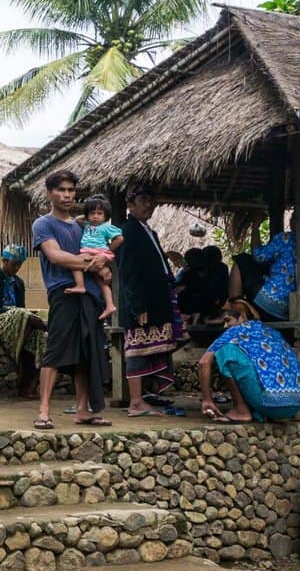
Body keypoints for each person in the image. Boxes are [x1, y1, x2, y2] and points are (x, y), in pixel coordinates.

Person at [30, 170, 109, 430]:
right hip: (63, 292)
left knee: (87, 353)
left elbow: (103, 251)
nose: (67, 195)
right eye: (61, 190)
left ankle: (83, 410)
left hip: (91, 294)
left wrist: (103, 263)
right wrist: (90, 263)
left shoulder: (81, 226)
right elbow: (56, 256)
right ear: (49, 193)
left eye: (71, 190)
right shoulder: (43, 224)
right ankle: (44, 410)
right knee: (55, 350)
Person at [114, 183, 187, 417]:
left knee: (152, 347)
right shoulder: (128, 231)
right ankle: (135, 402)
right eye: (143, 200)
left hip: (157, 300)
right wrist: (137, 306)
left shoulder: (148, 232)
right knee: (138, 347)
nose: (149, 205)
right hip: (141, 302)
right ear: (130, 204)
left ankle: (145, 395)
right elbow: (129, 271)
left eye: (150, 200)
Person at [198, 300, 300, 423]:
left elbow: (204, 362)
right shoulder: (272, 332)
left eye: (228, 320)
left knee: (226, 351)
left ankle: (241, 409)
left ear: (242, 316)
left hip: (270, 404)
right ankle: (258, 411)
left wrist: (207, 399)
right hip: (297, 404)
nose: (225, 326)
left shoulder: (236, 330)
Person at [0, 245, 47, 398]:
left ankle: (30, 386)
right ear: (4, 261)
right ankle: (38, 329)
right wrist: (11, 312)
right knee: (21, 313)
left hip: (18, 322)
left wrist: (21, 315)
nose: (17, 268)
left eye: (19, 265)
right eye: (14, 264)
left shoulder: (18, 283)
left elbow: (22, 307)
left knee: (38, 337)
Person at [229, 227, 300, 320]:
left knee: (242, 259)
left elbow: (258, 256)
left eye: (293, 217)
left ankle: (234, 310)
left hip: (270, 302)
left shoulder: (287, 238)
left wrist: (256, 226)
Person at [64, 194, 123, 320]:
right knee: (100, 281)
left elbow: (119, 238)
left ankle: (80, 285)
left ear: (106, 215)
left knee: (75, 262)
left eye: (99, 213)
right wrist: (87, 214)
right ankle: (110, 305)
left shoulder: (106, 227)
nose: (95, 216)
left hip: (97, 253)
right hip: (91, 253)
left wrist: (107, 250)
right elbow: (77, 219)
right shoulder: (87, 224)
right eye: (92, 213)